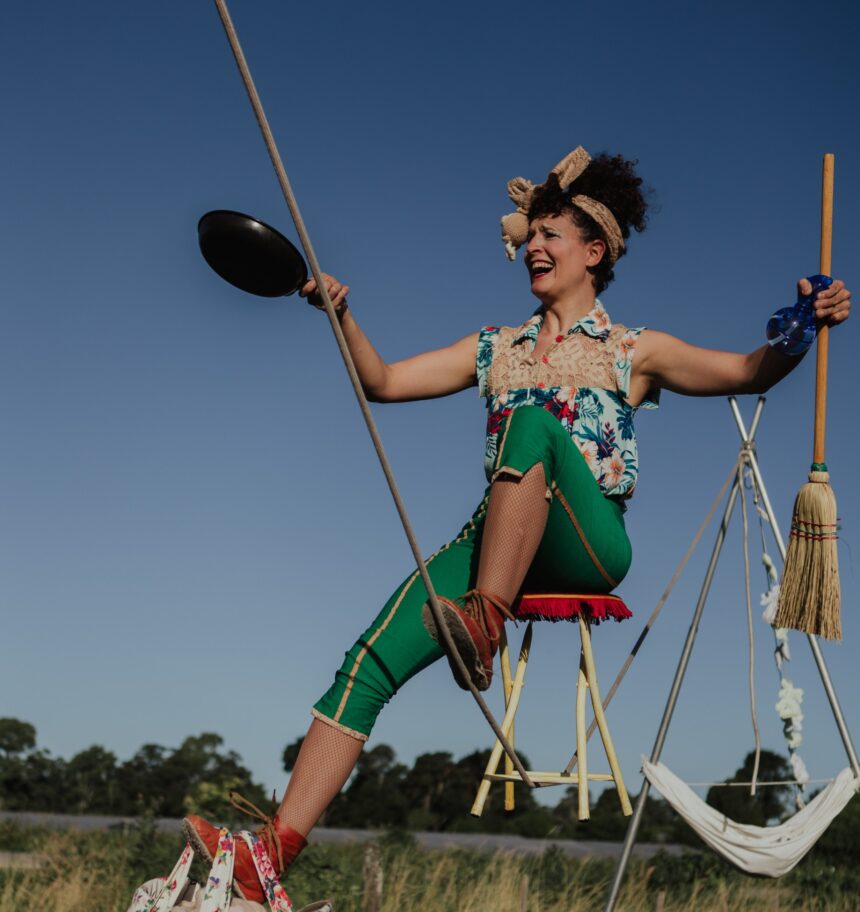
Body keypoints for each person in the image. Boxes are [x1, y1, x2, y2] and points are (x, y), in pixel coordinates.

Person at [183, 147, 851, 902]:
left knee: (531, 423)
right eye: (528, 236)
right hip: (494, 540)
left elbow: (747, 371)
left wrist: (804, 322)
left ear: (594, 252)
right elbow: (385, 383)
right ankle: (272, 851)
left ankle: (484, 622)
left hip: (588, 543)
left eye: (552, 235)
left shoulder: (635, 350)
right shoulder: (495, 347)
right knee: (366, 660)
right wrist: (341, 313)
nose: (532, 246)